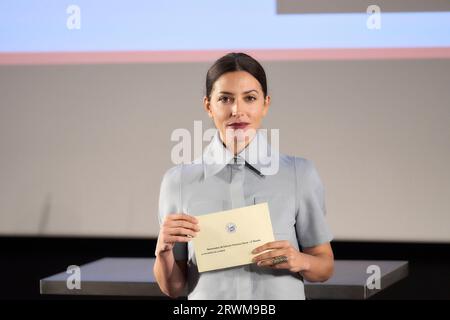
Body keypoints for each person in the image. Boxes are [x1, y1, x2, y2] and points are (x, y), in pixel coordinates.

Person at [153, 52, 334, 300]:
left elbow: (324, 268)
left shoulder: (299, 173)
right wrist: (162, 251)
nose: (237, 110)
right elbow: (173, 288)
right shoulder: (178, 181)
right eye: (225, 99)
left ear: (265, 104)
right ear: (208, 106)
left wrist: (299, 259)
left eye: (250, 98)